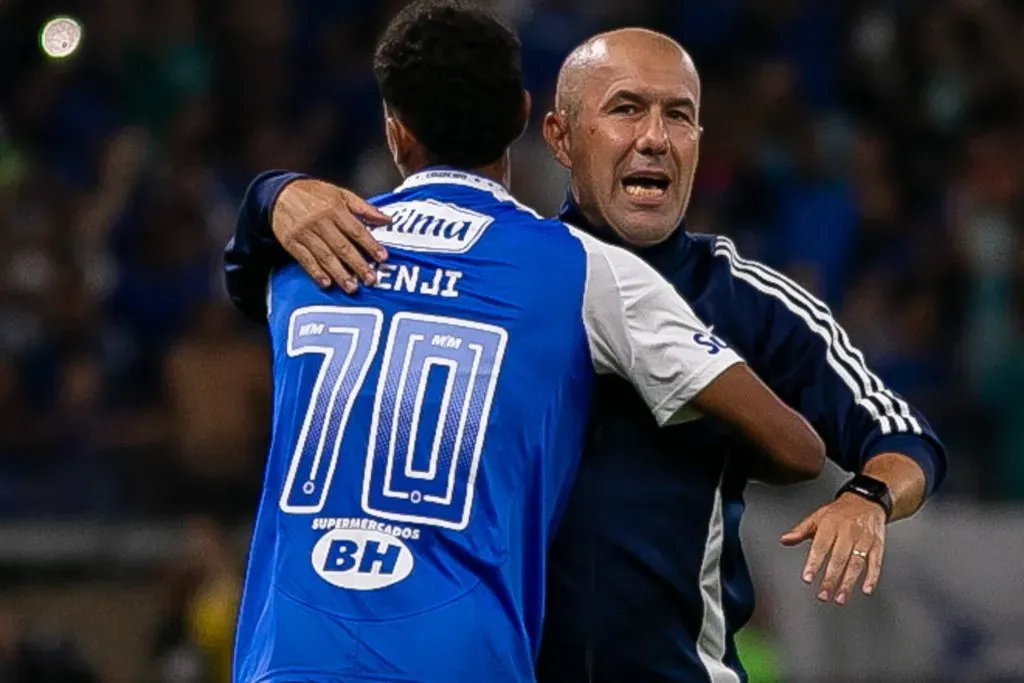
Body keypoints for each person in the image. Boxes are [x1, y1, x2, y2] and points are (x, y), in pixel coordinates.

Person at [225, 6, 825, 683]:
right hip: (461, 659)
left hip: (289, 657)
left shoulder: (301, 256)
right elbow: (796, 446)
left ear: (395, 130)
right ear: (524, 115)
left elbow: (239, 268)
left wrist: (273, 194)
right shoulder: (583, 269)